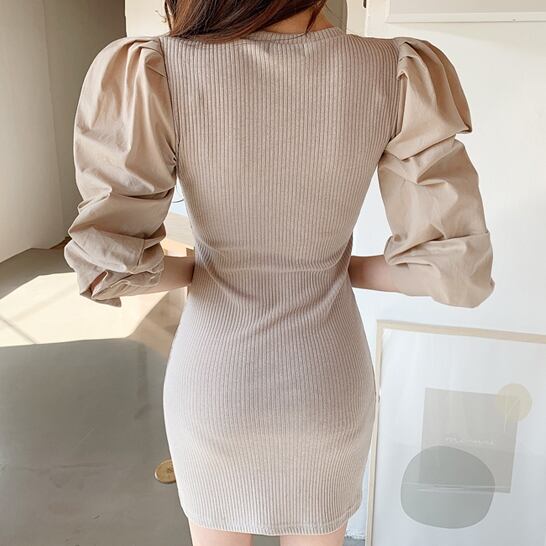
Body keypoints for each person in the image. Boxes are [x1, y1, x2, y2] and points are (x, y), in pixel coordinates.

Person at [64, 1, 495, 545]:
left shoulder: (158, 69)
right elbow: (450, 268)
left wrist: (205, 269)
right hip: (328, 385)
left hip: (214, 384)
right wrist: (329, 267)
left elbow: (111, 271)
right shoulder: (397, 69)